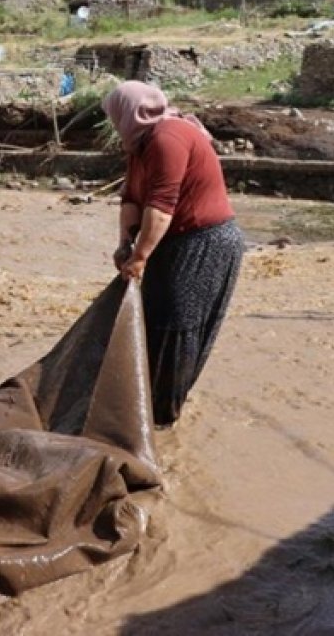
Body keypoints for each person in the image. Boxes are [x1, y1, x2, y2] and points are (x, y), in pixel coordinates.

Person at [103, 81, 244, 426]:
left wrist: (140, 257)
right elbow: (132, 198)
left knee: (176, 326)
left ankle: (163, 416)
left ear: (129, 112)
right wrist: (125, 245)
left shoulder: (169, 138)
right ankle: (149, 405)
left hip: (204, 243)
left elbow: (162, 206)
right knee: (155, 320)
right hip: (172, 241)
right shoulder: (141, 144)